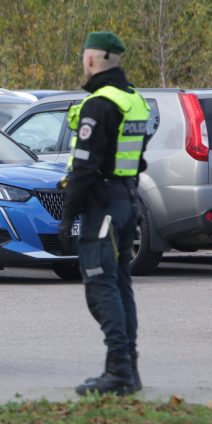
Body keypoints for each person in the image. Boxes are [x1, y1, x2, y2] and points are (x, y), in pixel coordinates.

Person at [57, 31, 151, 396]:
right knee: (120, 284)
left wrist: (68, 216)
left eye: (84, 58)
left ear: (92, 61)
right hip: (127, 201)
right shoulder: (134, 101)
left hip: (105, 206)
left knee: (100, 286)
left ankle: (119, 372)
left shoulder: (99, 104)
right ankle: (129, 368)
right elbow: (137, 159)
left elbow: (84, 168)